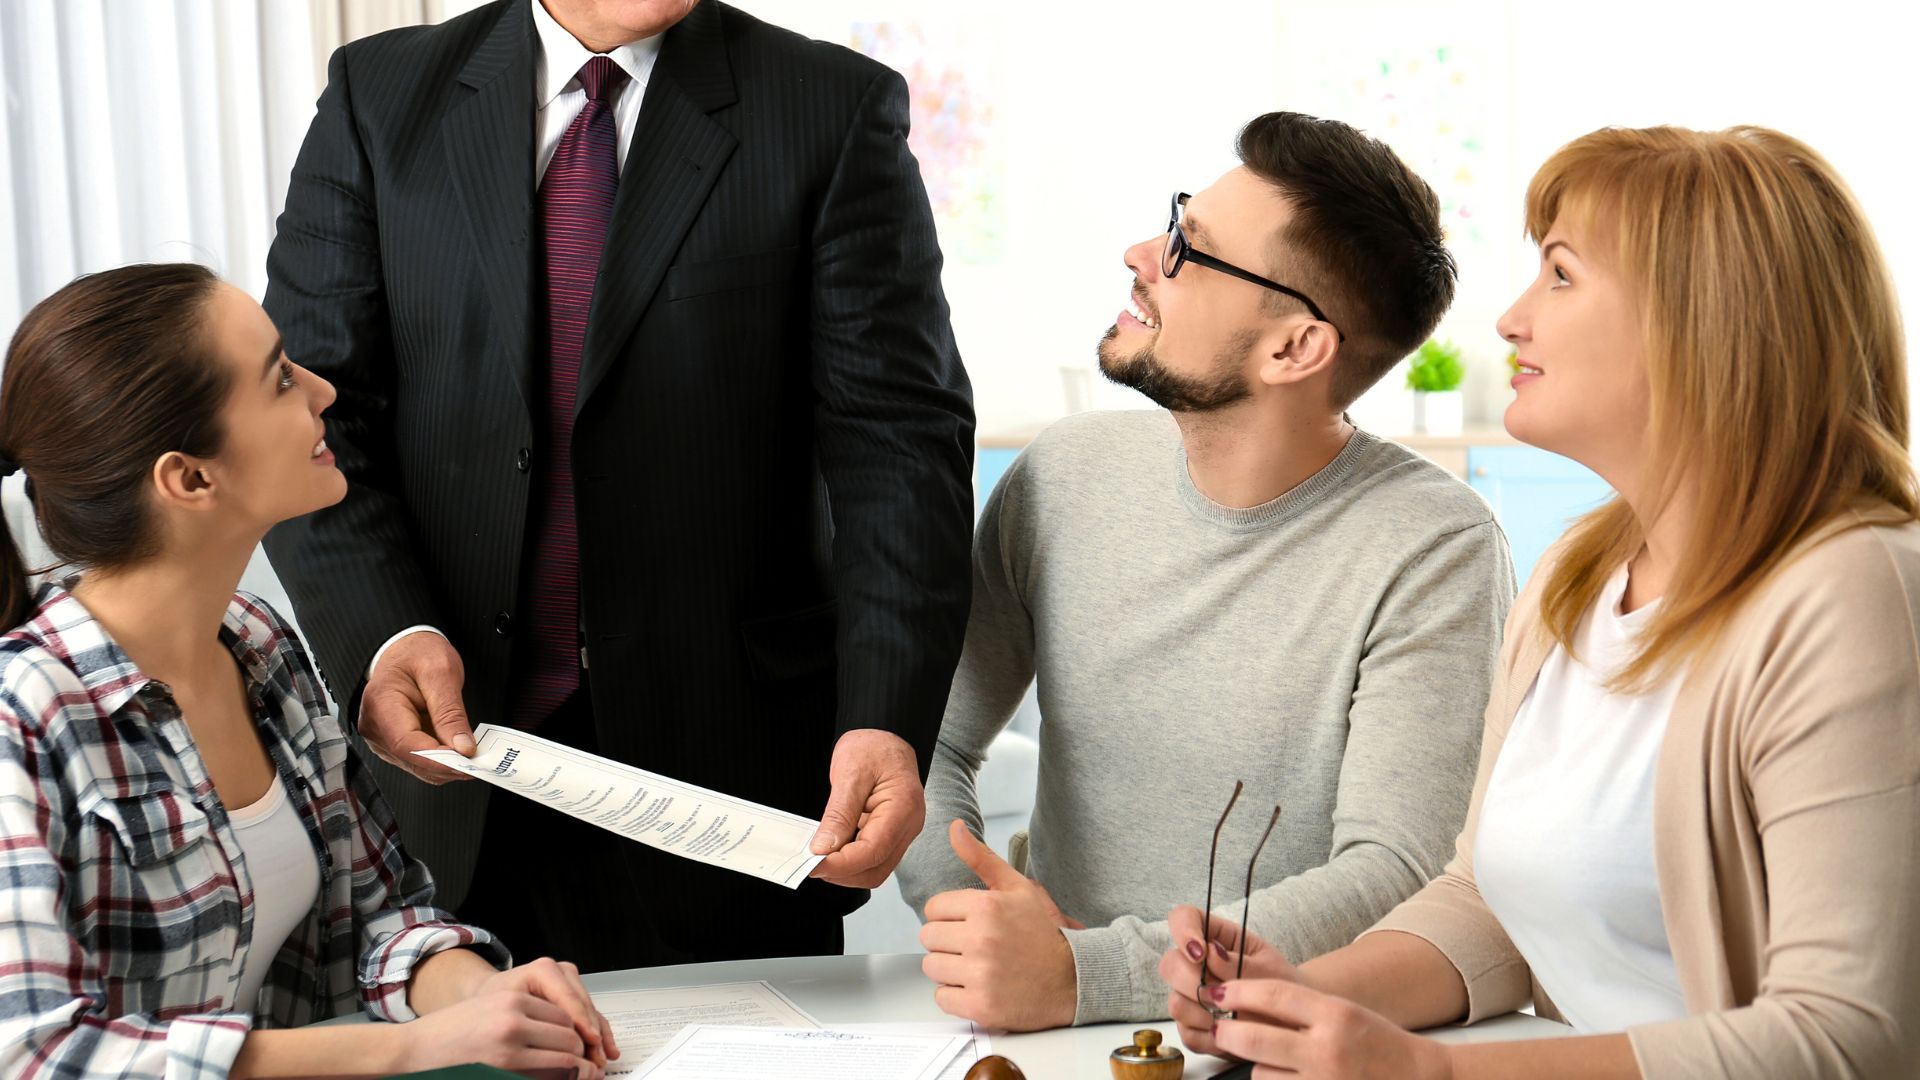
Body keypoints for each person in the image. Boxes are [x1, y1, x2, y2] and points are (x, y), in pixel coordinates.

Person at [1159, 124, 1920, 1078]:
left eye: (1559, 275)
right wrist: (1307, 997)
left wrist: (1429, 1073)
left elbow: (1847, 1038)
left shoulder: (1854, 591)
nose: (1512, 319)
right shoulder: (1576, 577)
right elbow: (1489, 902)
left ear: (1702, 318)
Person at [261, 0, 975, 969]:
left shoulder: (829, 108)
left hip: (728, 792)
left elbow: (898, 444)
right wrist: (384, 634)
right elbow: (315, 415)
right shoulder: (376, 100)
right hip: (447, 787)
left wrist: (885, 715)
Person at [893, 111, 1516, 1032]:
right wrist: (981, 922)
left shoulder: (1436, 546)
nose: (1144, 251)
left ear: (1295, 348)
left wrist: (1092, 973)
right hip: (1030, 1028)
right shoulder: (1064, 475)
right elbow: (928, 746)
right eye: (1174, 219)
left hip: (1262, 1041)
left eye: (1191, 248)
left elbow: (1398, 872)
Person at [0, 263, 617, 1078]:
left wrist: (491, 997)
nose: (325, 391)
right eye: (281, 379)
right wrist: (414, 1046)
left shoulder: (257, 643)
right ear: (190, 478)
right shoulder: (23, 716)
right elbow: (40, 1055)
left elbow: (380, 916)